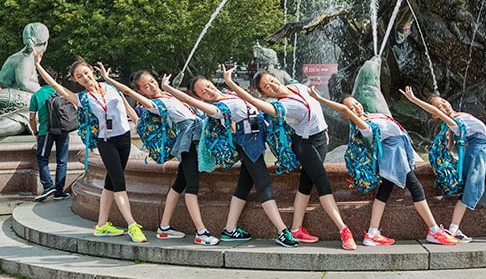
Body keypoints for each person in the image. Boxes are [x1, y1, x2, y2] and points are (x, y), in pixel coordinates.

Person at [222, 66, 357, 250]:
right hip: (304, 144)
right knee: (322, 183)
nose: (272, 85)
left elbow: (315, 109)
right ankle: (343, 230)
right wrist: (230, 83)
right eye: (266, 87)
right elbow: (252, 100)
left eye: (271, 80)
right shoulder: (280, 106)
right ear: (265, 93)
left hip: (321, 138)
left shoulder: (296, 85)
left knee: (306, 183)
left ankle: (295, 229)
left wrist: (324, 129)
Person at [160, 74, 298, 247]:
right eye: (204, 92)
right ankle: (281, 230)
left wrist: (230, 83)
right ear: (200, 97)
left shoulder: (228, 93)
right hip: (248, 144)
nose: (209, 90)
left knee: (244, 184)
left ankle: (230, 229)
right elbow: (189, 99)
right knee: (264, 184)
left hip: (256, 138)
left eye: (209, 86)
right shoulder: (217, 109)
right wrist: (168, 88)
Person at [308, 89, 458, 246]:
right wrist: (320, 99)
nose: (357, 108)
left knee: (384, 192)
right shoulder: (362, 125)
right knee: (416, 188)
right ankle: (434, 231)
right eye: (352, 108)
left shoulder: (371, 115)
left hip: (396, 154)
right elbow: (344, 110)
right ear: (347, 114)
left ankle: (372, 233)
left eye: (357, 104)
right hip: (393, 157)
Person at [97, 66, 219, 246]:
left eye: (152, 82)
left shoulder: (168, 96)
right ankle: (201, 232)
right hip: (189, 142)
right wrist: (109, 79)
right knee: (192, 186)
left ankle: (164, 227)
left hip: (195, 139)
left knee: (179, 184)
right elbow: (128, 91)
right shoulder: (154, 105)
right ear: (141, 92)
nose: (152, 86)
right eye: (146, 86)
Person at [33, 53, 147, 243]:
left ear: (92, 71)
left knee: (111, 182)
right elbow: (55, 86)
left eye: (86, 73)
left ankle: (101, 225)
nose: (85, 78)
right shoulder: (82, 98)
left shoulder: (110, 87)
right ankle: (132, 225)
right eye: (80, 76)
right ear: (75, 80)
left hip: (124, 137)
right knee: (119, 183)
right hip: (106, 141)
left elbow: (127, 106)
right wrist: (38, 65)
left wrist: (138, 123)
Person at [400, 86, 486, 243]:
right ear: (435, 114)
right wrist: (414, 100)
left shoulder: (458, 116)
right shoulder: (453, 122)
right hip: (476, 155)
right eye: (438, 107)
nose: (444, 106)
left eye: (443, 102)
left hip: (482, 152)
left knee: (481, 189)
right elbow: (444, 119)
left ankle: (454, 229)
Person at [0, 23, 49, 137]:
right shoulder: (25, 58)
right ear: (45, 43)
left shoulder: (21, 56)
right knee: (29, 117)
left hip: (10, 98)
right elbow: (24, 83)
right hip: (11, 99)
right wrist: (48, 94)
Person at [29, 69, 70, 201]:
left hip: (45, 131)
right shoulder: (60, 91)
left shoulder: (37, 95)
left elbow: (31, 117)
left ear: (39, 80)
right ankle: (59, 191)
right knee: (62, 160)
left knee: (42, 158)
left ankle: (48, 186)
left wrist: (35, 132)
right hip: (63, 129)